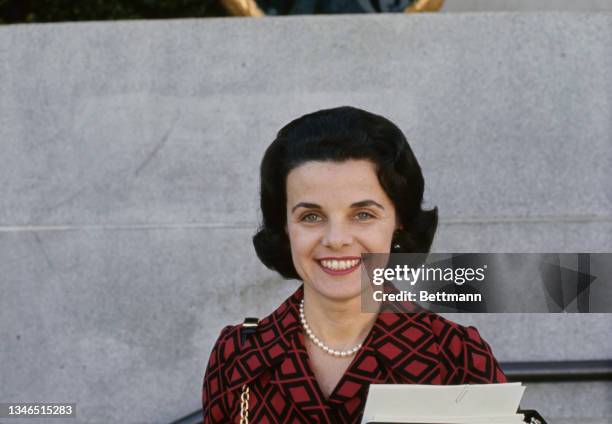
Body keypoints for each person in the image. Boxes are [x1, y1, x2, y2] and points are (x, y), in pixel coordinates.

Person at [201, 106, 507, 424]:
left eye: (363, 214)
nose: (336, 239)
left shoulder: (456, 356)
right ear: (285, 226)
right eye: (311, 216)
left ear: (398, 221)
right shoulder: (237, 355)